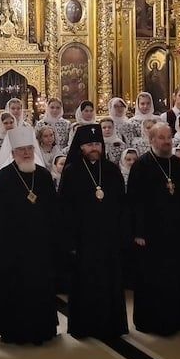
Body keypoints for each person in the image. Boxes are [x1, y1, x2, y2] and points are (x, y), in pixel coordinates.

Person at [0, 125, 59, 345]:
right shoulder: (3, 178)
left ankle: (42, 329)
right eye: (21, 150)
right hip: (13, 248)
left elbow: (53, 211)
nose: (26, 153)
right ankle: (13, 331)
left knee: (39, 287)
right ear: (13, 153)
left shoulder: (44, 176)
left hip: (40, 246)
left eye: (29, 148)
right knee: (15, 288)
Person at [126, 122, 180, 336]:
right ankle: (153, 322)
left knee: (176, 276)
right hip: (151, 233)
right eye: (162, 138)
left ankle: (179, 319)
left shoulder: (177, 163)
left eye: (169, 138)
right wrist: (138, 232)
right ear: (151, 140)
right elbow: (134, 202)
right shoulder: (141, 165)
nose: (167, 142)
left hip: (176, 232)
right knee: (153, 278)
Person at [58, 124, 128, 340]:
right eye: (89, 144)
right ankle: (84, 326)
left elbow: (121, 204)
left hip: (109, 238)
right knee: (85, 283)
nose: (94, 148)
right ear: (81, 147)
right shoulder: (71, 172)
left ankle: (111, 325)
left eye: (97, 143)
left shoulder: (112, 170)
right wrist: (70, 241)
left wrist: (121, 233)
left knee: (110, 282)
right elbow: (64, 209)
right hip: (83, 240)